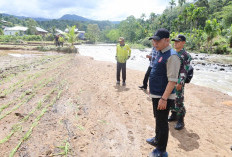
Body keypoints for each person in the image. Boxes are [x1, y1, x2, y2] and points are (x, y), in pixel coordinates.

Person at [146, 28, 180, 157]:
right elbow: (157, 71)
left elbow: (172, 81)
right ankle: (157, 139)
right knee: (158, 118)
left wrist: (164, 98)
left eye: (157, 41)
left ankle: (161, 150)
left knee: (162, 121)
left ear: (167, 40)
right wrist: (151, 87)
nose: (155, 44)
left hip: (163, 96)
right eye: (154, 41)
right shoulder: (160, 52)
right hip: (157, 94)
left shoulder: (172, 56)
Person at [168, 35, 192, 130]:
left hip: (178, 81)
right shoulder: (173, 52)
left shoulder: (185, 55)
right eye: (175, 41)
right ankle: (173, 114)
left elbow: (184, 70)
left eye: (178, 41)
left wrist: (180, 82)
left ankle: (180, 120)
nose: (176, 43)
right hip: (171, 80)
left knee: (178, 99)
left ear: (183, 43)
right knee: (171, 98)